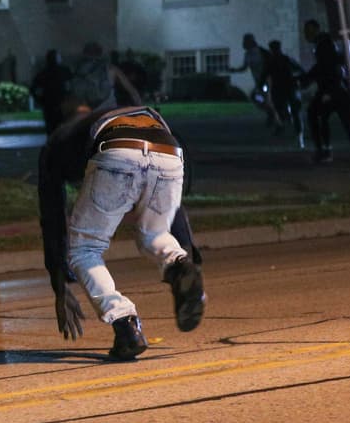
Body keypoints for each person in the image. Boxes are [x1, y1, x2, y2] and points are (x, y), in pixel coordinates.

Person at [38, 104, 206, 360]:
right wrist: (189, 258)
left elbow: (52, 213)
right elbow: (177, 211)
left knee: (84, 249)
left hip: (116, 150)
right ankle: (177, 264)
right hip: (169, 149)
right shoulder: (127, 112)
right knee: (155, 233)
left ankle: (125, 324)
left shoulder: (57, 142)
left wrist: (59, 282)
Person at [300, 19, 350, 168]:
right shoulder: (323, 44)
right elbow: (323, 67)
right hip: (333, 88)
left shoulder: (325, 44)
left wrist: (326, 89)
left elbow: (328, 67)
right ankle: (332, 150)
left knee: (346, 120)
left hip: (334, 89)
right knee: (340, 118)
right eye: (306, 31)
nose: (306, 34)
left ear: (316, 30)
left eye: (309, 30)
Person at [265, 40, 304, 147]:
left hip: (288, 89)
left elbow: (300, 70)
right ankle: (292, 131)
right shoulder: (273, 61)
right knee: (281, 109)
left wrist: (296, 79)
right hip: (281, 89)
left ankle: (299, 136)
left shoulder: (284, 60)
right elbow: (265, 75)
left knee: (294, 112)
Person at [241, 33, 278, 130]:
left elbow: (271, 64)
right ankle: (270, 112)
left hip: (266, 80)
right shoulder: (247, 54)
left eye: (247, 41)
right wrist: (234, 70)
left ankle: (277, 121)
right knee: (256, 97)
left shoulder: (262, 52)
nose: (245, 43)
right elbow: (244, 67)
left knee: (267, 98)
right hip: (258, 82)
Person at [30, 49, 71, 134]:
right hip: (59, 103)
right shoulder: (63, 71)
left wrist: (40, 100)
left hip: (51, 104)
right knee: (61, 127)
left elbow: (33, 89)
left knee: (52, 128)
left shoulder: (44, 73)